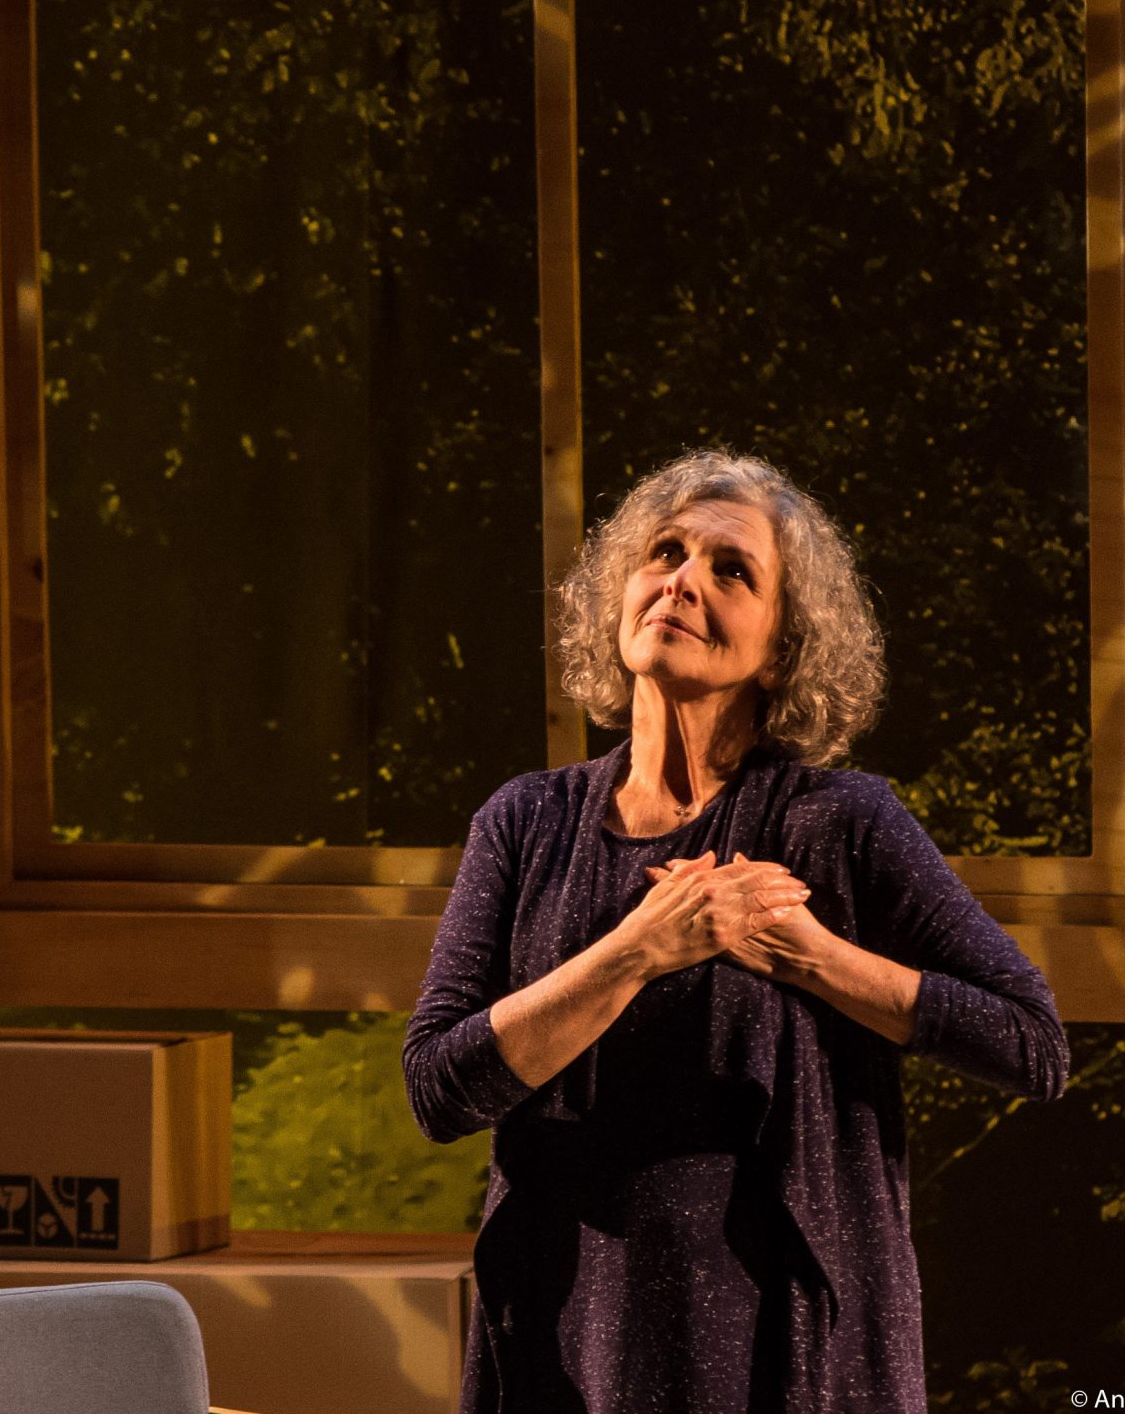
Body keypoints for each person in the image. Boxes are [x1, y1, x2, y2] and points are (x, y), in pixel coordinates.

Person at [400, 447, 1070, 1414]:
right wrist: (639, 948)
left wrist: (814, 956)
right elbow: (437, 1086)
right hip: (565, 1334)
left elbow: (1031, 1042)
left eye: (731, 570)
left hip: (784, 1344)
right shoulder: (524, 820)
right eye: (664, 552)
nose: (682, 581)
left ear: (785, 647)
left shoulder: (840, 821)